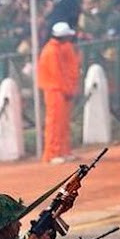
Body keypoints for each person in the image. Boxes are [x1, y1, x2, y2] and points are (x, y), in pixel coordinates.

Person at [38, 21, 81, 164]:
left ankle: (63, 150)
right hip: (55, 90)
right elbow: (56, 75)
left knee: (63, 123)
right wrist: (67, 89)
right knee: (55, 123)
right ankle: (52, 153)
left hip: (62, 90)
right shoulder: (51, 51)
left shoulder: (61, 48)